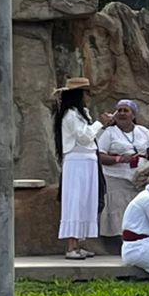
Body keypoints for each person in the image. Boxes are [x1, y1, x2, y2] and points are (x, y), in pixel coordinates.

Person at [53, 78, 115, 260]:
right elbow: (84, 137)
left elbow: (91, 138)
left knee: (86, 202)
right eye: (86, 93)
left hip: (88, 161)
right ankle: (71, 246)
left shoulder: (82, 114)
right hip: (77, 162)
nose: (89, 97)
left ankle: (79, 244)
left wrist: (102, 126)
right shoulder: (70, 114)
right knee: (75, 201)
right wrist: (99, 123)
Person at [95, 99, 149, 246]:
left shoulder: (143, 131)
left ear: (133, 114)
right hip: (116, 176)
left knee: (140, 207)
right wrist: (118, 158)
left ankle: (141, 236)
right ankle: (123, 240)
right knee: (120, 207)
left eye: (126, 110)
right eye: (119, 110)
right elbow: (99, 155)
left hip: (141, 176)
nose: (122, 113)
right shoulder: (109, 133)